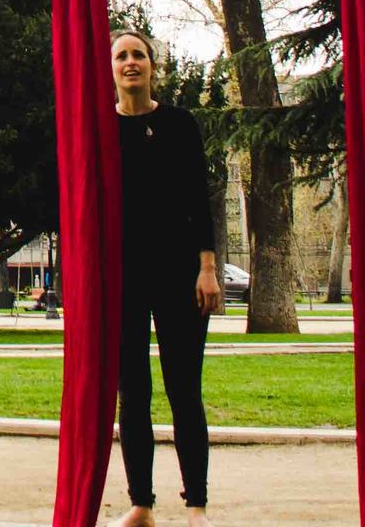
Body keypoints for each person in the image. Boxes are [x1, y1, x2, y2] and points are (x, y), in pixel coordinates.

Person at [111, 32, 221, 527]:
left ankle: (195, 504)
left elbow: (199, 198)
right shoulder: (98, 131)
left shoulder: (179, 125)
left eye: (138, 55)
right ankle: (141, 505)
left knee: (184, 390)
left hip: (180, 274)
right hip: (124, 277)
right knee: (132, 393)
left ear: (153, 66)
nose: (131, 62)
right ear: (111, 69)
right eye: (121, 56)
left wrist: (208, 267)